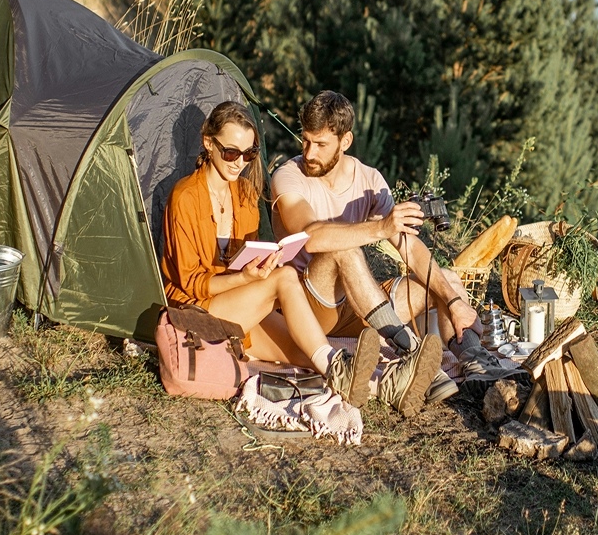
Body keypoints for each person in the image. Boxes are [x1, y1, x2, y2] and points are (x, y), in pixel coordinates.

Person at [271, 91, 507, 418]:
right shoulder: (288, 176)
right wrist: (381, 228)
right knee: (345, 248)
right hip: (310, 302)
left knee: (445, 281)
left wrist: (453, 301)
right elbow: (310, 237)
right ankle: (411, 350)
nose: (309, 153)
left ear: (346, 140)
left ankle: (473, 362)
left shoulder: (369, 179)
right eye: (306, 141)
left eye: (321, 144)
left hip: (357, 303)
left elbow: (410, 248)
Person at [160, 100, 396, 408]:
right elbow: (192, 283)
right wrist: (248, 277)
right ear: (208, 143)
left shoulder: (245, 194)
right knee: (285, 278)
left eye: (249, 153)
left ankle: (385, 385)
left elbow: (245, 261)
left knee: (306, 351)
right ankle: (340, 368)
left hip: (238, 304)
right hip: (194, 310)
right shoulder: (185, 197)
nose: (238, 162)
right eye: (230, 152)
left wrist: (259, 269)